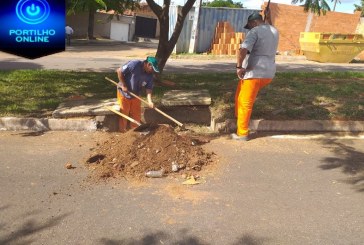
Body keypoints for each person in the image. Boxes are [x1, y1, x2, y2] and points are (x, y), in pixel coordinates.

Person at [232, 9, 279, 141]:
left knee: (245, 102)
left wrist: (239, 66)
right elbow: (270, 26)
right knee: (239, 93)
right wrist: (269, 17)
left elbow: (243, 49)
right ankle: (238, 117)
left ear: (253, 22)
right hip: (268, 73)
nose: (250, 28)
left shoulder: (255, 31)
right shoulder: (274, 31)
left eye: (250, 25)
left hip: (254, 73)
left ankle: (242, 133)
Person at [116, 56, 159, 132]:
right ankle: (123, 133)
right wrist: (124, 85)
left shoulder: (150, 75)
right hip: (124, 93)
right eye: (152, 68)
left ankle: (135, 132)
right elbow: (119, 71)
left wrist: (149, 101)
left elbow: (149, 89)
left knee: (136, 115)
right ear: (148, 64)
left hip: (136, 94)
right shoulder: (134, 64)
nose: (152, 71)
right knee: (124, 114)